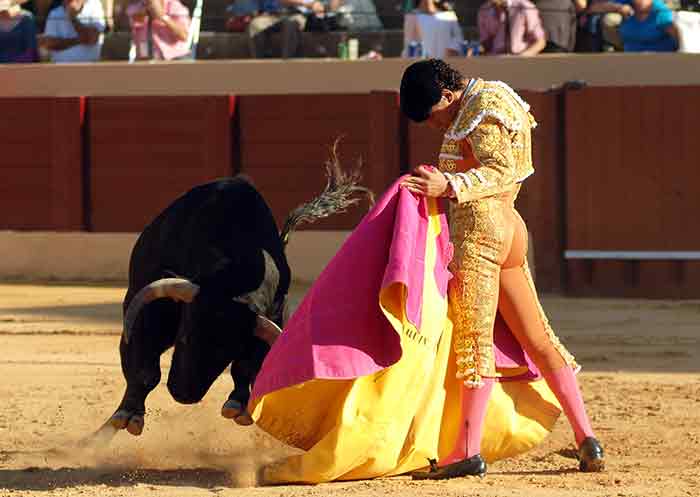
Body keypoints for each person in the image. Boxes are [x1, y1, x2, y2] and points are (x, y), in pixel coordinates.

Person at [400, 59, 604, 479]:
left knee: (474, 345)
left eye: (434, 116)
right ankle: (587, 437)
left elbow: (497, 169)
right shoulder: (495, 94)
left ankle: (465, 453)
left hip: (481, 230)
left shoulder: (478, 109)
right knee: (538, 337)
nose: (435, 126)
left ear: (447, 95)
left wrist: (450, 186)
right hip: (509, 225)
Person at [588, 0, 678, 51]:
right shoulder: (628, 3)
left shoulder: (662, 14)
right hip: (629, 61)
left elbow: (680, 45)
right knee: (608, 20)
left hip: (657, 63)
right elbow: (592, 8)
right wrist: (618, 8)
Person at [247, 0, 320, 58]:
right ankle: (259, 62)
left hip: (294, 15)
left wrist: (314, 5)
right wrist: (255, 14)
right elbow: (254, 8)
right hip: (270, 16)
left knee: (290, 24)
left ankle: (287, 61)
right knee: (255, 25)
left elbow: (313, 4)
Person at [126, 0, 191, 60]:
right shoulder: (135, 8)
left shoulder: (174, 5)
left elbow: (184, 36)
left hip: (175, 59)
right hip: (146, 60)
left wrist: (163, 17)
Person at [478, 0, 547, 55]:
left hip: (521, 61)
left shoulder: (525, 6)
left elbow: (540, 41)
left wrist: (523, 57)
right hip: (496, 62)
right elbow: (486, 43)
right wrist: (475, 49)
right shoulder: (484, 10)